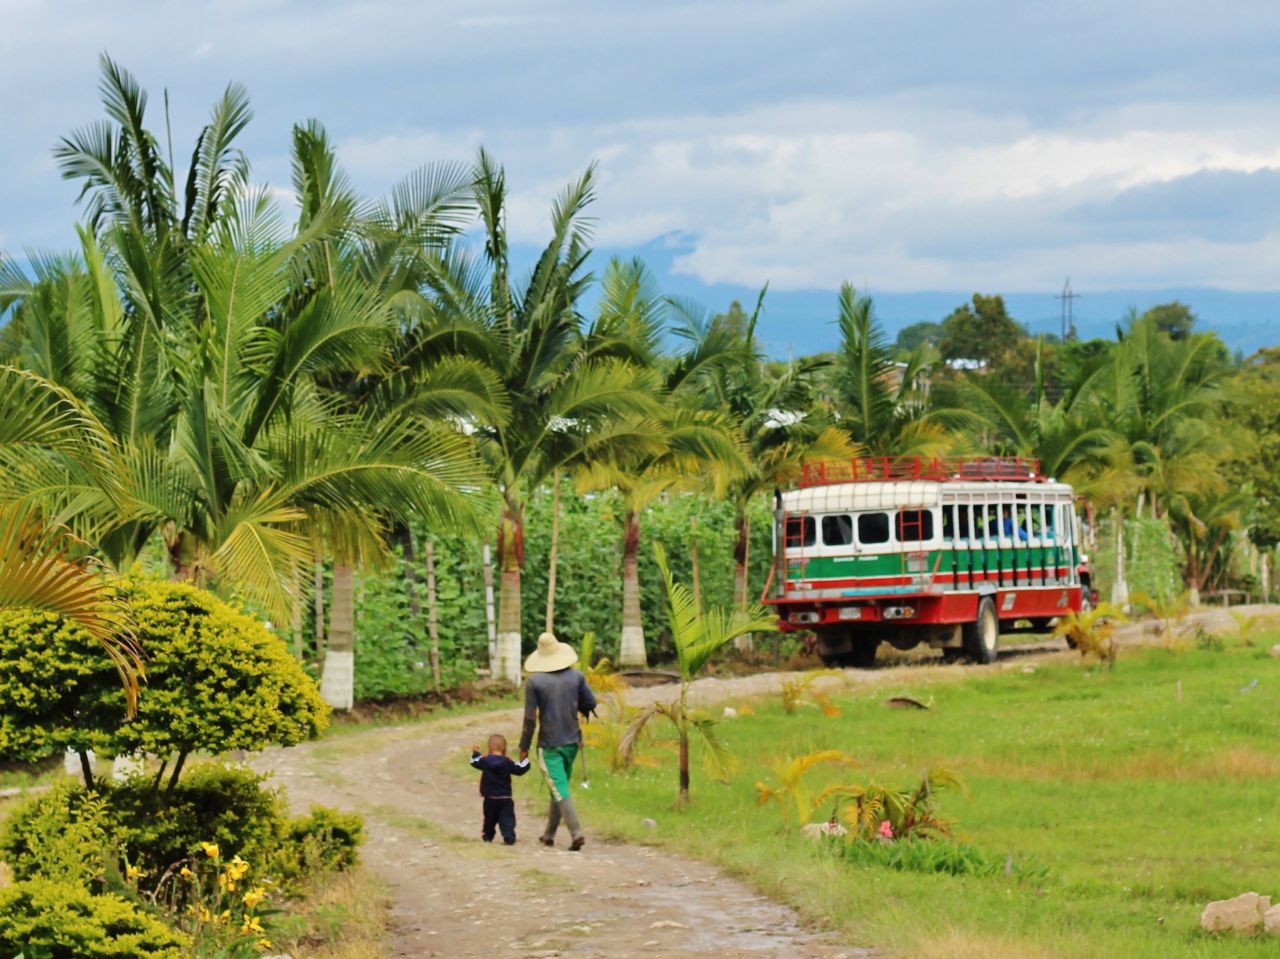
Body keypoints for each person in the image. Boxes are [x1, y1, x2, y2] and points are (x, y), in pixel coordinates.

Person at [518, 631, 597, 851]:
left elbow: (529, 719)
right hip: (573, 743)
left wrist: (523, 747)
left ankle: (576, 833)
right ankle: (549, 835)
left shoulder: (535, 682)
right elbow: (591, 702)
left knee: (559, 788)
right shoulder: (576, 676)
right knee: (557, 788)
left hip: (550, 745)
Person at [470, 733, 530, 845]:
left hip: (490, 798)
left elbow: (474, 762)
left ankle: (487, 836)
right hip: (505, 798)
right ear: (504, 749)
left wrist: (475, 753)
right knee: (507, 818)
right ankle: (509, 835)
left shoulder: (485, 760)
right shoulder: (507, 762)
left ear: (489, 748)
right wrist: (524, 760)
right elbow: (519, 770)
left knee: (489, 819)